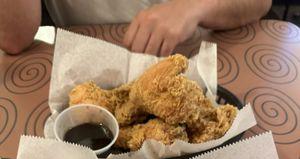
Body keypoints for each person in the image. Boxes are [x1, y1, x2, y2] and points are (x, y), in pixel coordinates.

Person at [0, 0, 272, 55]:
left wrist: (195, 6)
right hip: (81, 66)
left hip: (198, 53)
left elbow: (259, 3)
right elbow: (14, 37)